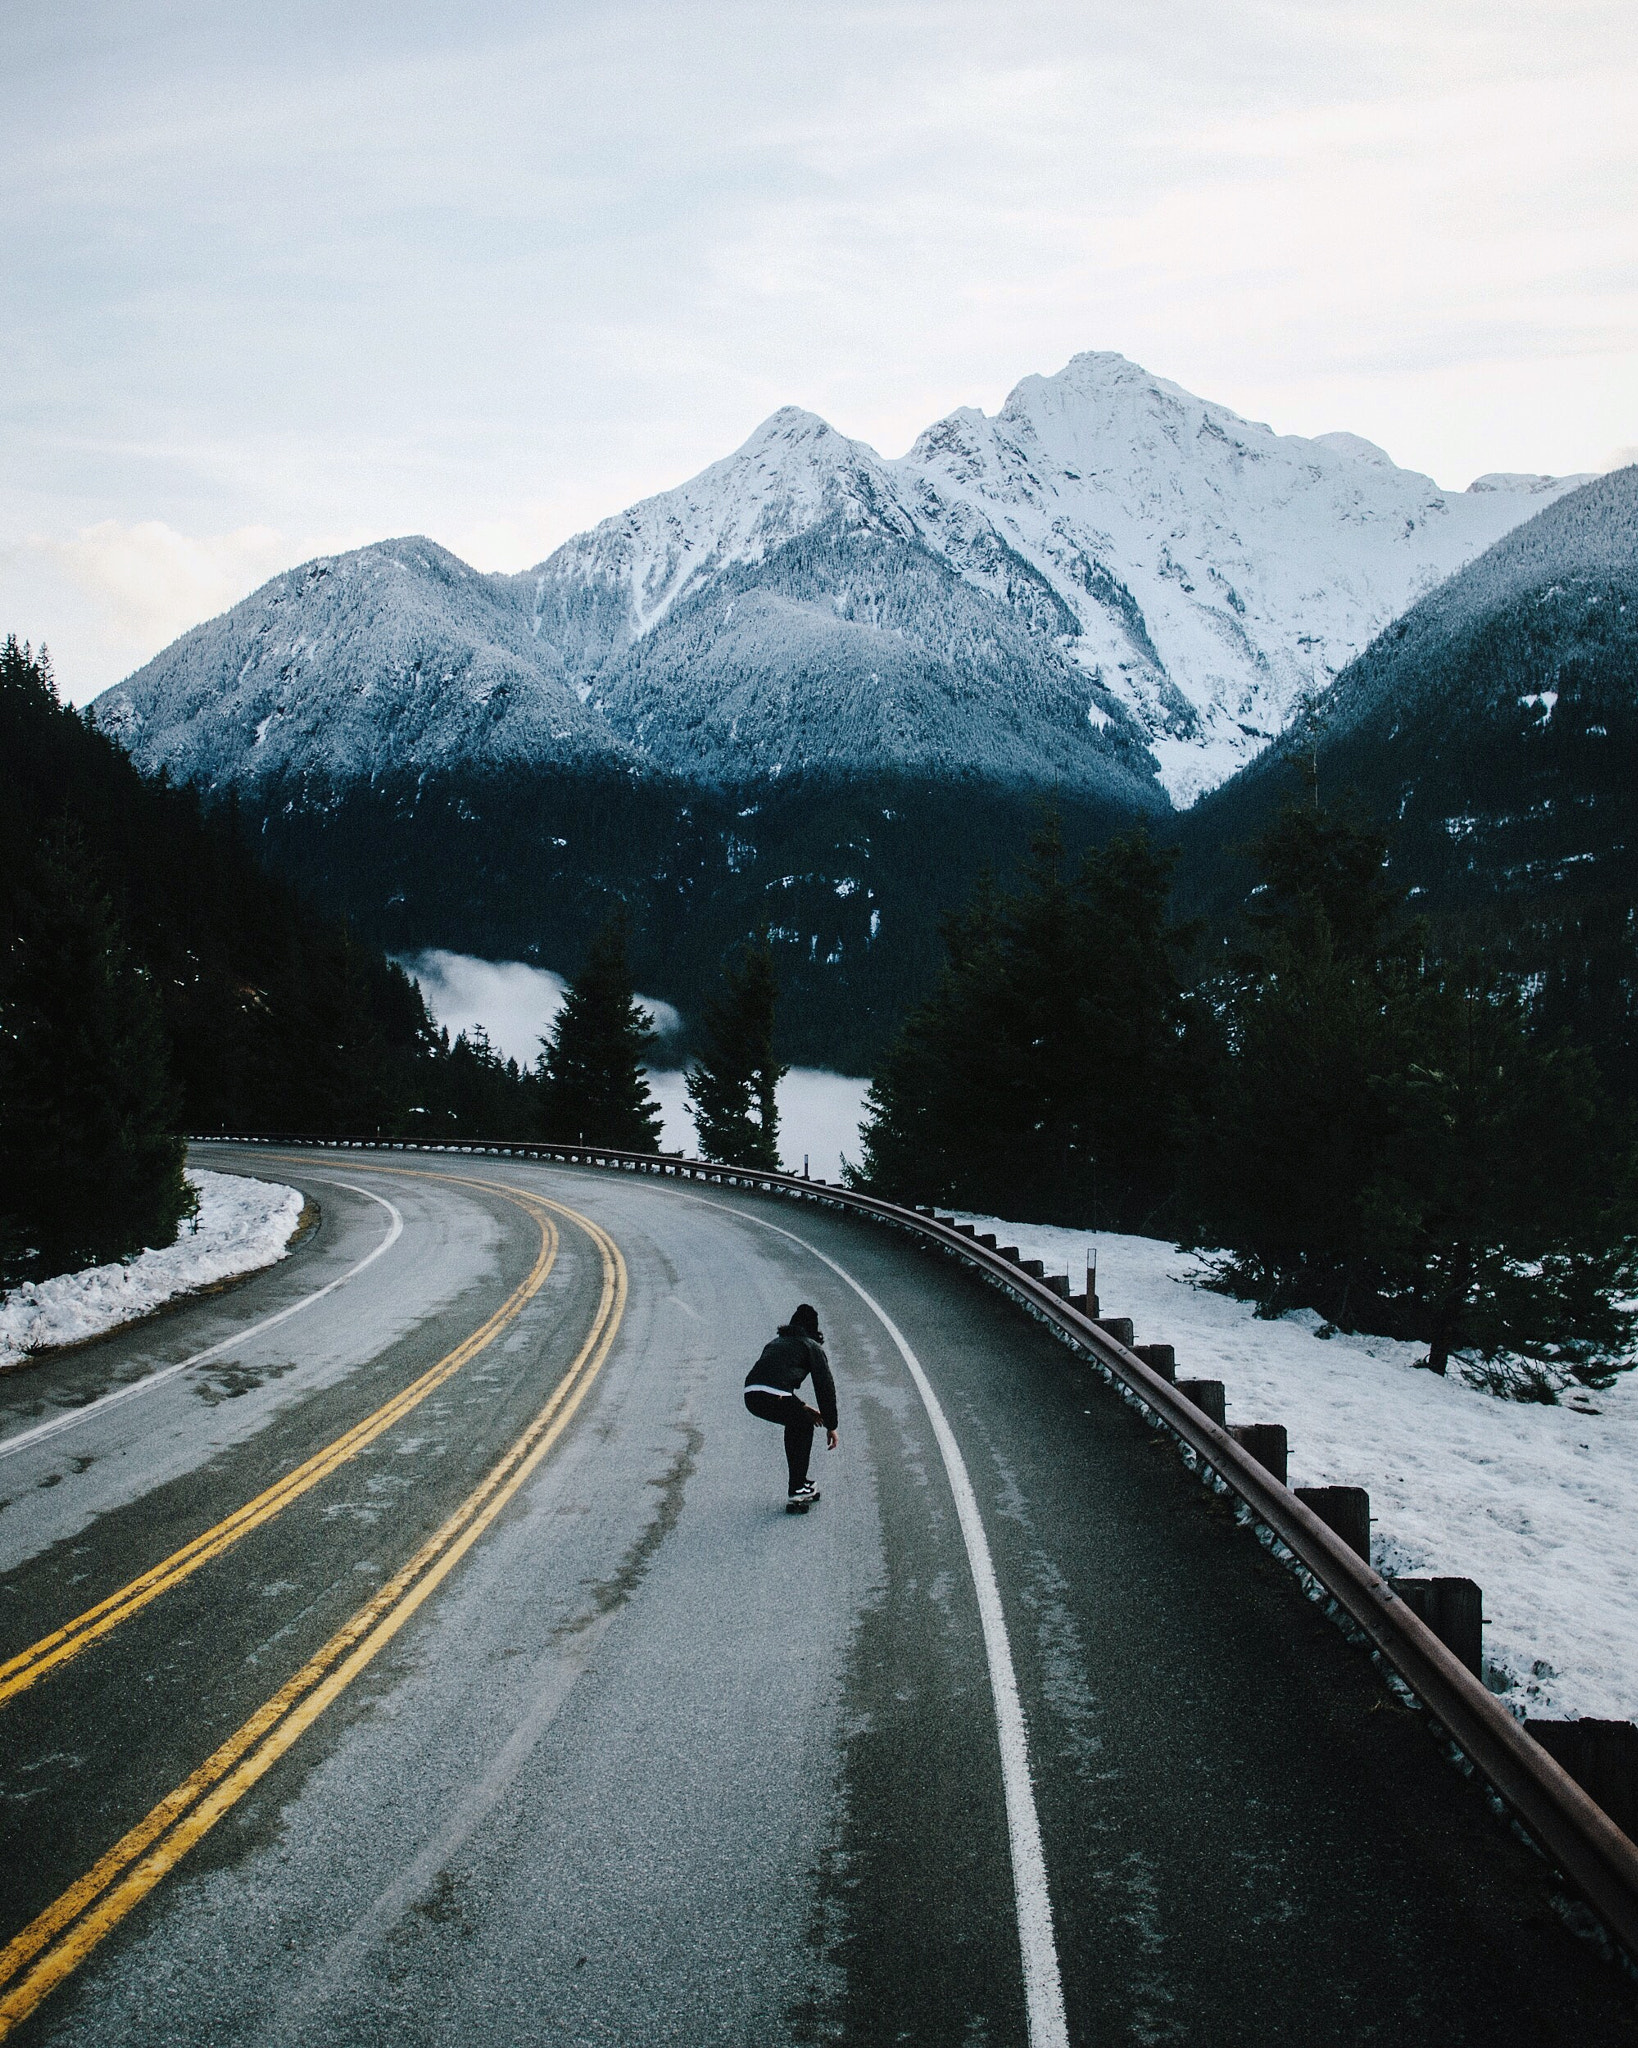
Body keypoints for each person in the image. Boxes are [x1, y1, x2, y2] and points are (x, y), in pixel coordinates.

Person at [743, 1302, 838, 1512]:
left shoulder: (776, 1342)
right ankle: (797, 1487)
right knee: (802, 1426)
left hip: (750, 1394)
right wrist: (831, 1425)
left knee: (797, 1421)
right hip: (772, 1394)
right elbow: (824, 1386)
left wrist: (803, 1406)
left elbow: (774, 1382)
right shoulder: (811, 1345)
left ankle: (800, 1483)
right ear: (813, 1328)